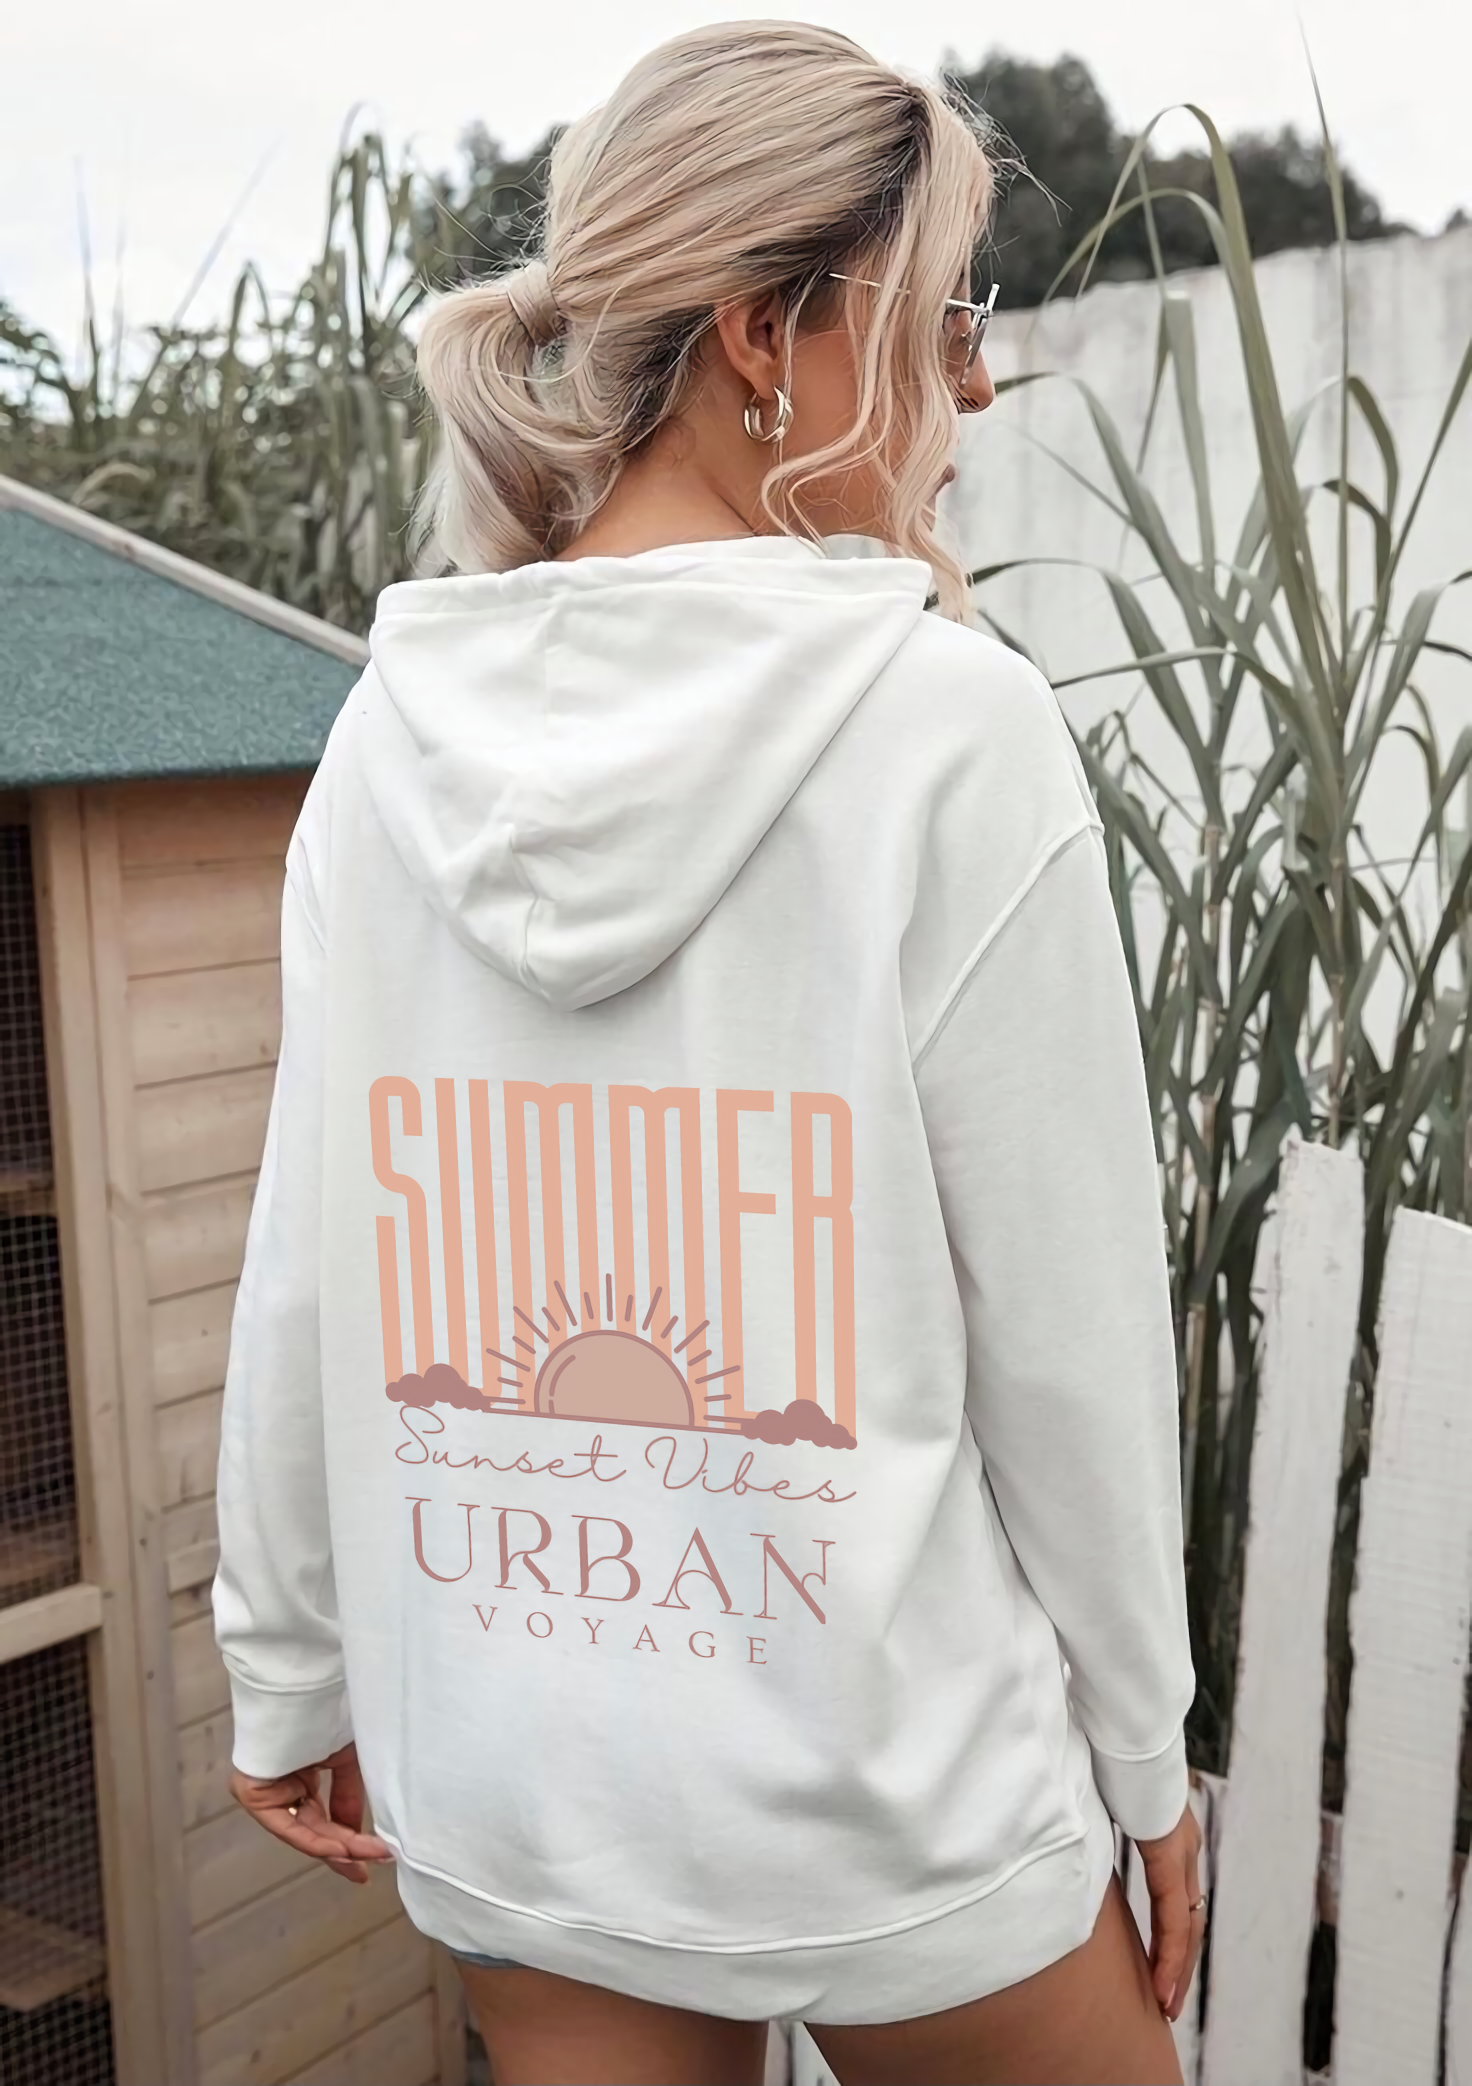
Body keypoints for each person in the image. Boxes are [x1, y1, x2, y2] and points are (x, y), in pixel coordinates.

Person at [214, 21, 1202, 2084]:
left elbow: (310, 1261)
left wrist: (287, 1664)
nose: (975, 386)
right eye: (947, 319)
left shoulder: (385, 744)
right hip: (899, 1798)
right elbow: (1071, 1339)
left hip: (526, 1791)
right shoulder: (949, 729)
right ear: (764, 336)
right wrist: (1144, 1749)